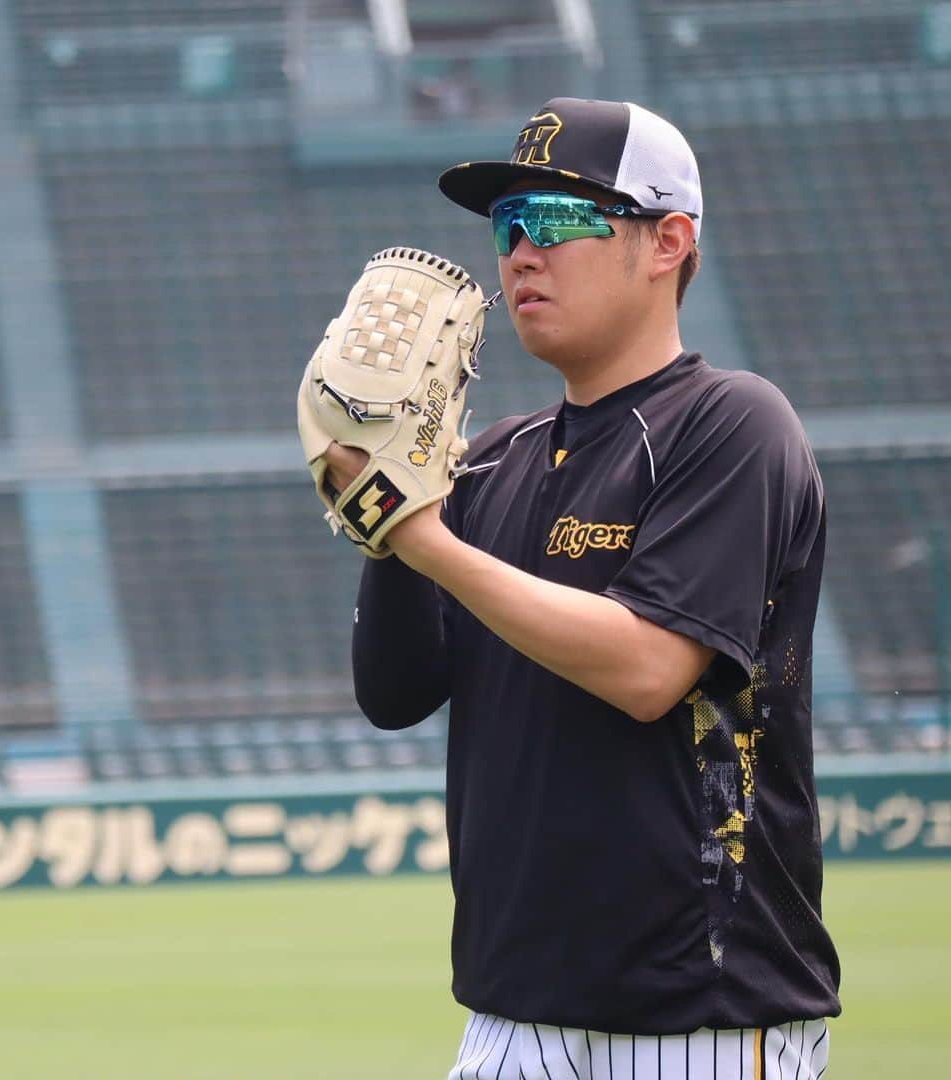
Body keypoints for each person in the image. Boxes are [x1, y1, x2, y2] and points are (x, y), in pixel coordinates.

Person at [323, 98, 841, 1079]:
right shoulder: (489, 465)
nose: (521, 252)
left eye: (557, 220)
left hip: (703, 1018)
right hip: (510, 1012)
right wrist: (388, 512)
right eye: (506, 224)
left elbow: (649, 666)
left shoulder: (732, 424)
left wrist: (423, 538)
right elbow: (391, 696)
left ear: (668, 241)